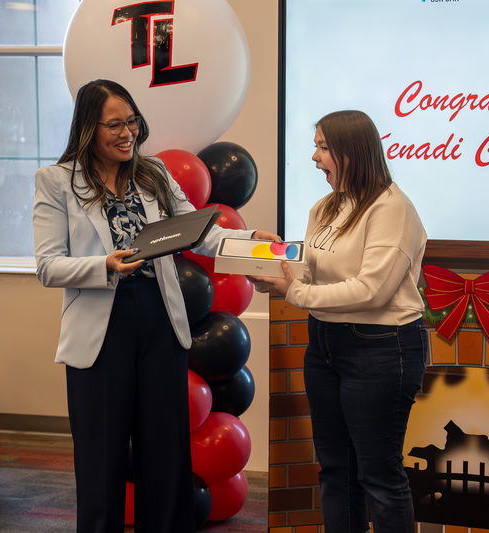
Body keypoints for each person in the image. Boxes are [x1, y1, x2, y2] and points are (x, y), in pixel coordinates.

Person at [32, 78, 279, 532]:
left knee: (165, 455)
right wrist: (104, 265)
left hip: (161, 324)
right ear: (88, 128)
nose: (127, 133)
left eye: (132, 122)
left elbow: (201, 232)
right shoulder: (56, 182)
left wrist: (253, 245)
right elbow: (48, 266)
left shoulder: (155, 174)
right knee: (101, 457)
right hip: (101, 332)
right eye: (114, 125)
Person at [251, 110, 428, 533]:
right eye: (316, 146)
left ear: (353, 151)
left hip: (383, 348)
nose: (314, 157)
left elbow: (372, 291)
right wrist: (270, 264)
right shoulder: (324, 208)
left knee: (379, 478)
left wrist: (294, 292)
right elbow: (311, 274)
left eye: (323, 147)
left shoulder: (392, 208)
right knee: (335, 471)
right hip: (325, 345)